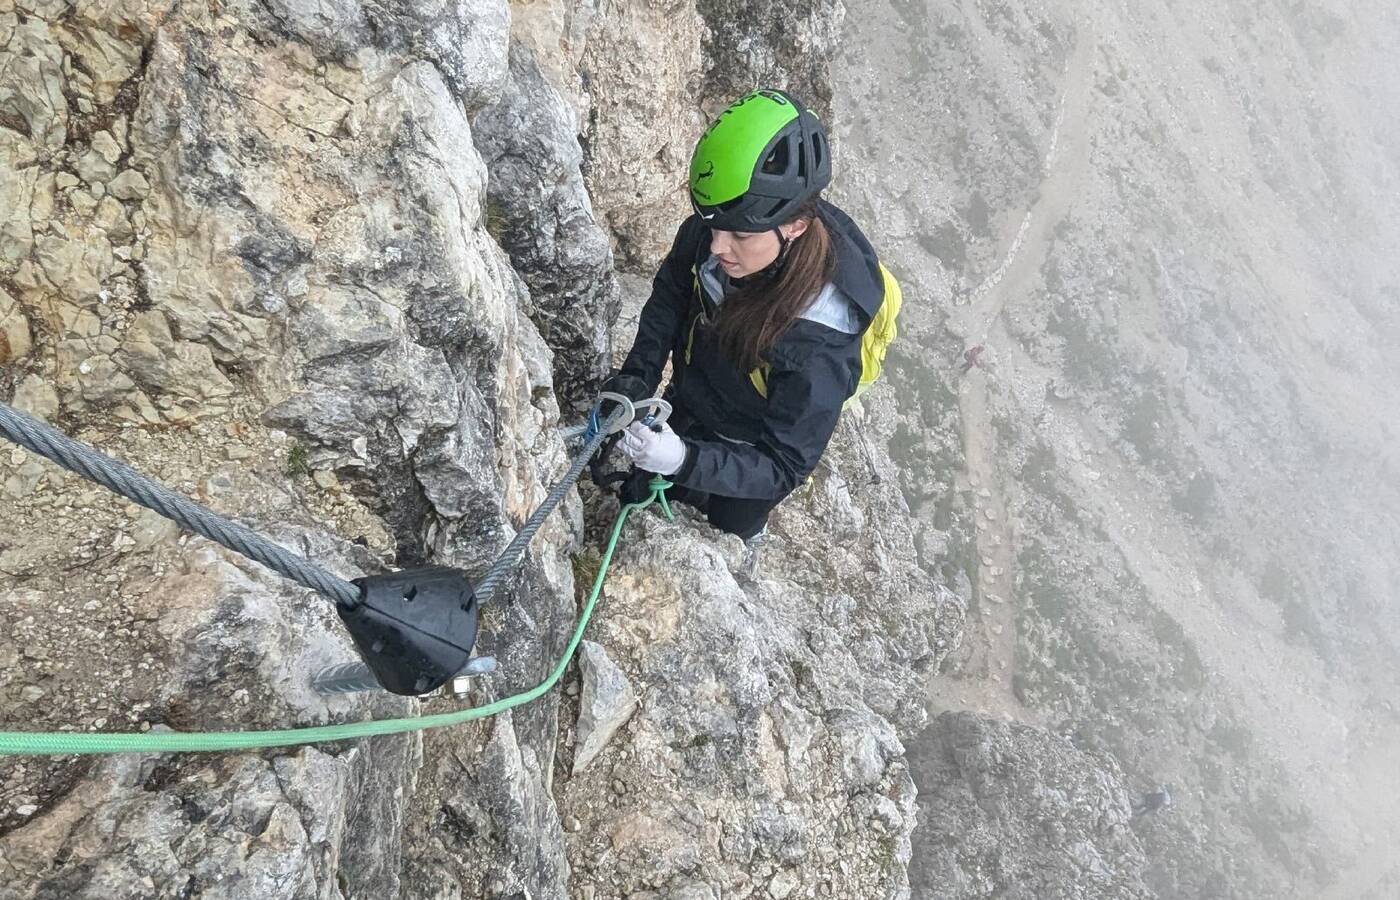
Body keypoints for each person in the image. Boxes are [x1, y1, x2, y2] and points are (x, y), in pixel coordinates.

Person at [599, 89, 891, 540]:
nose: (717, 247)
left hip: (754, 446)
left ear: (796, 226)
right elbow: (674, 290)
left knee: (731, 526)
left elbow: (783, 463)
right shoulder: (738, 213)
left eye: (737, 236)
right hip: (695, 395)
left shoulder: (820, 345)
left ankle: (743, 538)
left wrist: (685, 460)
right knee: (641, 497)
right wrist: (639, 376)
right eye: (711, 226)